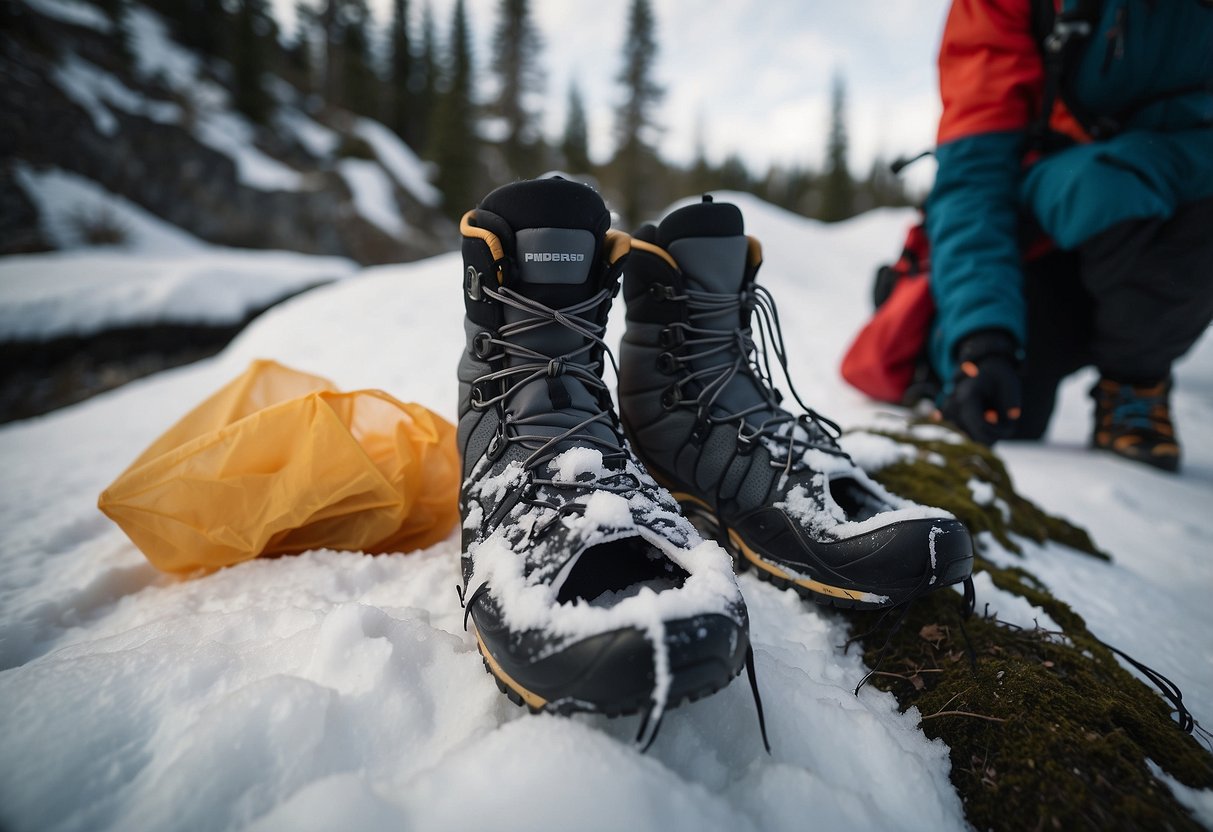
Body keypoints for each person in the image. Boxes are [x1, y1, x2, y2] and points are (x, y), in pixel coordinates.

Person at [927, 0, 1213, 472]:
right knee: (1011, 410)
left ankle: (1135, 381)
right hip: (1051, 227)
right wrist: (983, 336)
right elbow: (973, 174)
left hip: (1179, 221)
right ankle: (948, 334)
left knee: (1115, 188)